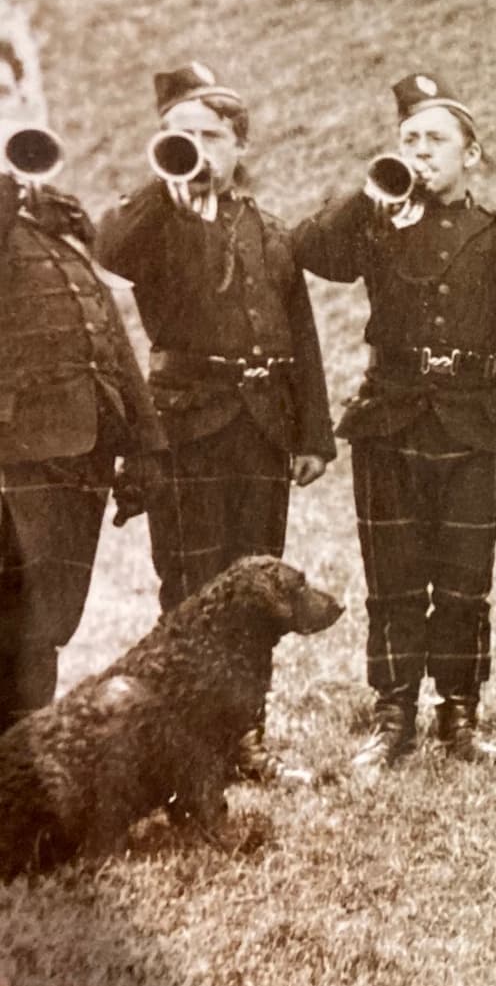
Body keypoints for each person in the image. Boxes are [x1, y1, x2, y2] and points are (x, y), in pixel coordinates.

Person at [294, 72, 496, 770]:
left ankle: (459, 713)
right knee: (394, 578)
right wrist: (369, 194)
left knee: (466, 579)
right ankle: (393, 713)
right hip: (390, 420)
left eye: (436, 139)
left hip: (473, 425)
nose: (421, 151)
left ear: (472, 153)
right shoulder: (372, 228)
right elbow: (306, 249)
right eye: (409, 140)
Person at [93, 63, 334, 783]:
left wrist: (312, 433)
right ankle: (189, 747)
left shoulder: (265, 228)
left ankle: (245, 737)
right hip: (185, 429)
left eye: (212, 136)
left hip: (259, 426)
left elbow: (302, 331)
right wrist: (165, 184)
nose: (198, 148)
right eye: (180, 135)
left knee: (257, 594)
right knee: (191, 590)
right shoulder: (149, 221)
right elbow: (108, 248)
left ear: (239, 146)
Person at [0, 119, 167, 732]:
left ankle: (24, 758)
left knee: (50, 619)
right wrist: (11, 187)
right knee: (18, 619)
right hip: (22, 453)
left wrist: (145, 446)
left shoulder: (58, 232)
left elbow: (113, 341)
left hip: (83, 450)